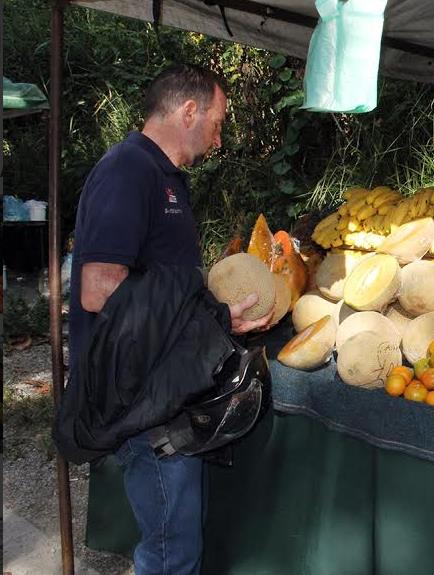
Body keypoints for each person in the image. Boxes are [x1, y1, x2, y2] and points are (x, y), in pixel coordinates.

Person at [68, 64, 271, 575]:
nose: (218, 139)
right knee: (169, 550)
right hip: (142, 395)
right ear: (188, 111)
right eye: (218, 123)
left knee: (178, 536)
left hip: (165, 385)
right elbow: (98, 291)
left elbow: (164, 285)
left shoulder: (165, 177)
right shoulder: (128, 171)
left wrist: (215, 317)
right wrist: (208, 315)